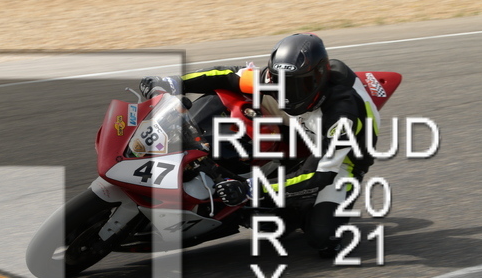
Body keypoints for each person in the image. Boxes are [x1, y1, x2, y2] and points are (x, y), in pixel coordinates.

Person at [138, 33, 380, 258]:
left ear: (318, 78)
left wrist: (249, 188)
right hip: (300, 122)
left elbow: (319, 175)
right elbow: (229, 75)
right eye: (279, 82)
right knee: (231, 93)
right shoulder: (281, 81)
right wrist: (172, 82)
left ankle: (313, 209)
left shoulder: (342, 116)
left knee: (321, 238)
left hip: (340, 161)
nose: (287, 94)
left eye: (298, 86)